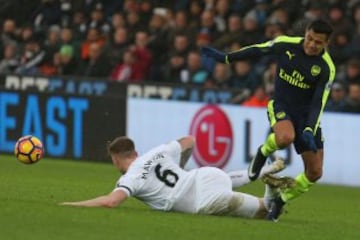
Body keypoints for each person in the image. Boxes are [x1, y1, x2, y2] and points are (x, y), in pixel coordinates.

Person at [201, 19, 335, 221]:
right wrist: (228, 58)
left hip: (307, 117)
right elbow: (258, 50)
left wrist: (309, 129)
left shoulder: (326, 68)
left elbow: (319, 103)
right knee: (285, 138)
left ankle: (281, 199)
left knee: (315, 172)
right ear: (305, 33)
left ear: (326, 44)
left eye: (318, 42)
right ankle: (263, 152)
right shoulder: (286, 44)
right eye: (310, 38)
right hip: (282, 105)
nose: (312, 45)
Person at [60, 136, 294, 219]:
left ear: (116, 158)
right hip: (206, 175)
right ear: (135, 152)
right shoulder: (157, 151)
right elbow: (189, 140)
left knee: (267, 213)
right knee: (225, 185)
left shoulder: (131, 177)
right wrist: (181, 167)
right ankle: (261, 175)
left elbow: (111, 202)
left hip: (203, 201)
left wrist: (73, 204)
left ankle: (269, 188)